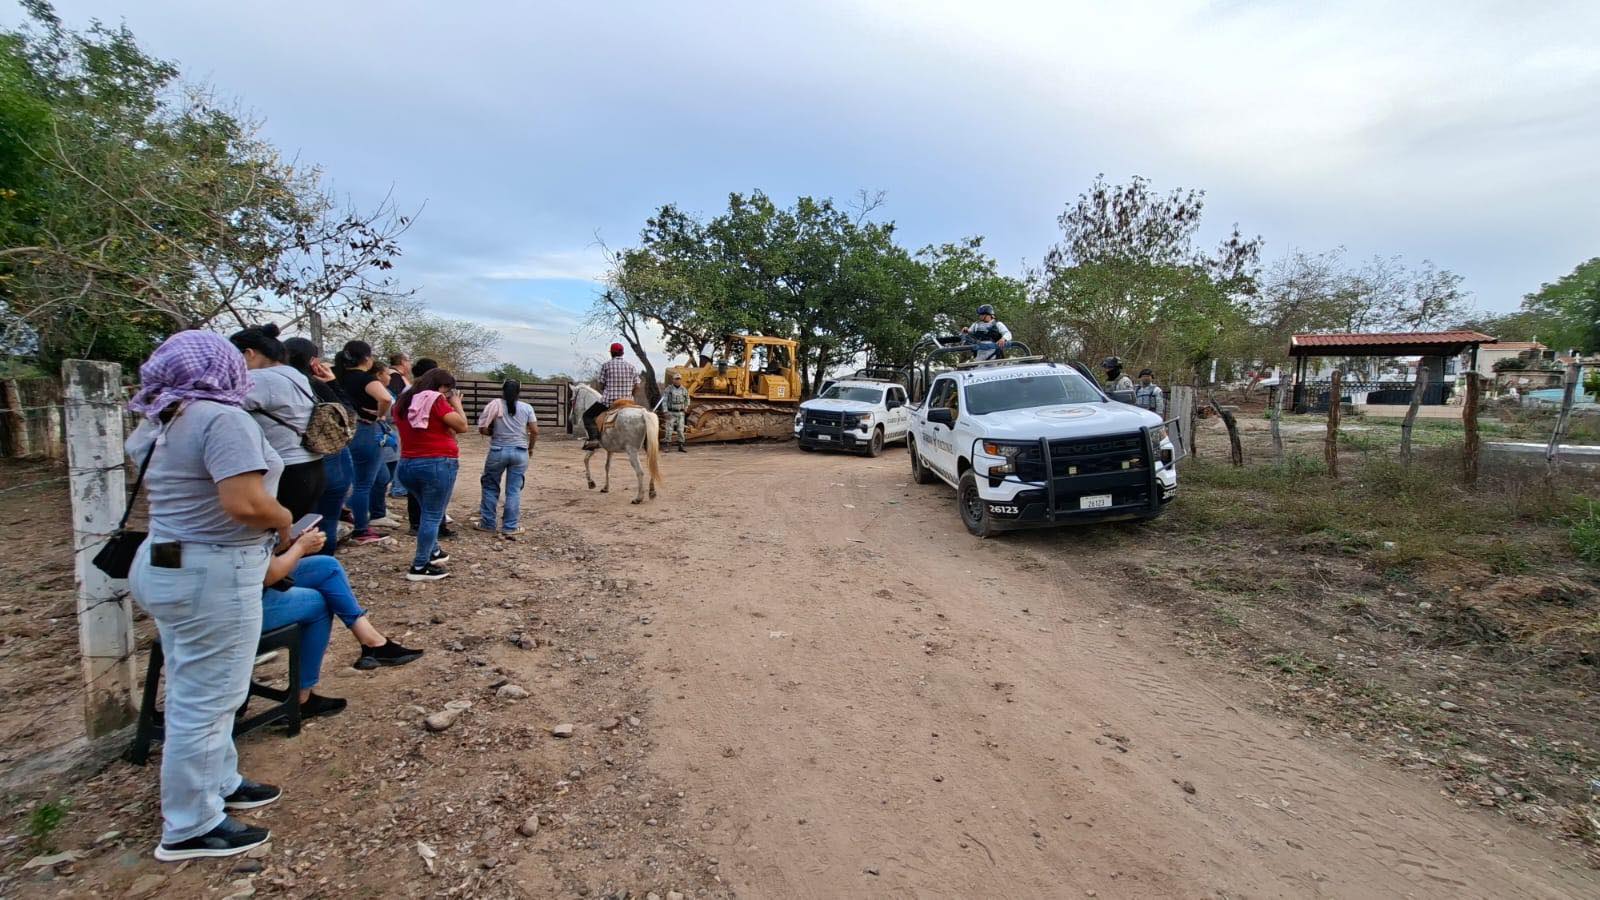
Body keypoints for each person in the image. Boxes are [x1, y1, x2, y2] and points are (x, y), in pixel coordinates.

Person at [125, 330, 292, 862]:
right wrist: (284, 519)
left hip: (166, 559)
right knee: (211, 696)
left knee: (195, 682)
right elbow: (243, 503)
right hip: (213, 568)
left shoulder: (160, 420)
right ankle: (191, 823)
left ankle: (220, 779)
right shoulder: (223, 419)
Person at [260, 528, 424, 718]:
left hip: (252, 580)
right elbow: (269, 575)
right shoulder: (244, 511)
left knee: (327, 567)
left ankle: (373, 642)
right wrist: (300, 547)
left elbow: (263, 559)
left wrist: (289, 541)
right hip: (243, 605)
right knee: (318, 604)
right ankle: (301, 700)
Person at [230, 324, 323, 520]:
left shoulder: (260, 379)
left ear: (249, 353)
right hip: (311, 466)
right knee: (296, 532)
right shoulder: (296, 375)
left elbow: (218, 408)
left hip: (284, 470)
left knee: (274, 537)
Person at [394, 367, 469, 581]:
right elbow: (462, 426)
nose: (449, 394)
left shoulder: (403, 401)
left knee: (427, 510)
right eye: (448, 390)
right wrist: (457, 404)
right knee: (433, 514)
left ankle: (433, 550)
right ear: (441, 386)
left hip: (407, 463)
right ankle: (419, 566)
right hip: (436, 462)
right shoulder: (435, 400)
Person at [285, 337, 353, 556]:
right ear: (313, 361)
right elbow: (348, 417)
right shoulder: (312, 385)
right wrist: (331, 383)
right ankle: (319, 565)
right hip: (322, 459)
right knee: (324, 521)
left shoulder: (267, 383)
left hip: (281, 464)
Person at [332, 341, 393, 545]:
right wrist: (380, 416)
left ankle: (345, 515)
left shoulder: (337, 377)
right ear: (366, 358)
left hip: (342, 431)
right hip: (365, 430)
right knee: (363, 483)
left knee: (348, 478)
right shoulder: (364, 379)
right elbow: (385, 399)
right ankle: (361, 528)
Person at [476, 379, 538, 537]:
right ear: (519, 391)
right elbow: (535, 430)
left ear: (502, 390)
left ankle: (488, 523)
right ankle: (510, 526)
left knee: (490, 486)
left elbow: (483, 429)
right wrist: (530, 448)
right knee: (514, 490)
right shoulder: (527, 407)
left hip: (498, 450)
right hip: (520, 451)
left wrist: (493, 433)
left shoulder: (494, 405)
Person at [401, 358, 452, 536]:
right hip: (434, 453)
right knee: (435, 501)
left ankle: (416, 524)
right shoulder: (433, 398)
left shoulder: (406, 394)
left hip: (409, 454)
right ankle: (435, 537)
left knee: (416, 493)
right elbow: (460, 425)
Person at [583, 343, 639, 450]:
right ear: (622, 353)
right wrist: (631, 396)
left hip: (610, 402)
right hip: (627, 402)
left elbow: (601, 384)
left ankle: (593, 439)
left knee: (587, 416)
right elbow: (637, 385)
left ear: (612, 353)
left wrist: (605, 391)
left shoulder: (606, 366)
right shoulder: (631, 367)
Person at [366, 360, 402, 527]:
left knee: (386, 474)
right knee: (381, 476)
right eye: (387, 373)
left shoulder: (386, 391)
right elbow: (387, 412)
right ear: (379, 375)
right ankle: (376, 512)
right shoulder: (376, 393)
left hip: (390, 435)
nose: (389, 377)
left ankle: (380, 508)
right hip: (381, 434)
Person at [661, 372, 690, 452]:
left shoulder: (684, 389)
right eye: (676, 379)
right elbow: (664, 401)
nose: (678, 380)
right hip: (671, 412)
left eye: (679, 379)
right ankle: (667, 446)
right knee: (669, 430)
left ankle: (681, 446)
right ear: (673, 380)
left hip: (680, 413)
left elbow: (687, 399)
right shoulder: (669, 389)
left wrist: (686, 407)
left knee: (680, 430)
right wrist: (665, 411)